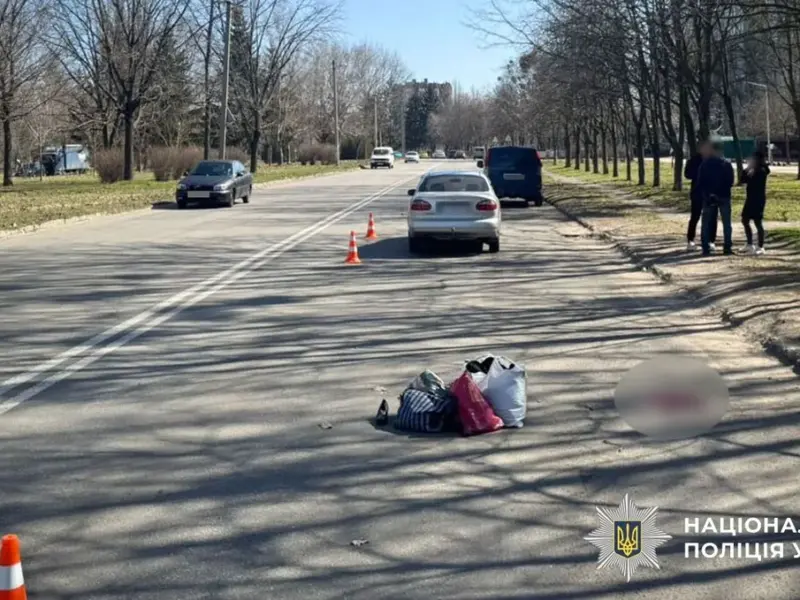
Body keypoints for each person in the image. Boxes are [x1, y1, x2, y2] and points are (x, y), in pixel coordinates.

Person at [696, 141, 735, 255]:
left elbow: (700, 182)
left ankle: (705, 247)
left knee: (706, 223)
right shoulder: (726, 164)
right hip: (724, 196)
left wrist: (709, 193)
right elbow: (730, 181)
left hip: (709, 197)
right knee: (727, 223)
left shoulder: (705, 164)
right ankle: (727, 247)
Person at [684, 140, 717, 251]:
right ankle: (690, 240)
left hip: (711, 192)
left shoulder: (713, 160)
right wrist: (700, 172)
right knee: (695, 216)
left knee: (712, 217)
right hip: (697, 192)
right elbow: (687, 174)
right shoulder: (694, 160)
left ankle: (711, 240)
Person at [739, 150, 770, 255]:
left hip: (758, 199)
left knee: (757, 222)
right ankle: (749, 244)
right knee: (745, 219)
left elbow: (753, 181)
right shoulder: (752, 169)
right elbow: (742, 180)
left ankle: (760, 246)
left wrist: (751, 171)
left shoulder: (762, 170)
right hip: (750, 198)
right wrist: (748, 168)